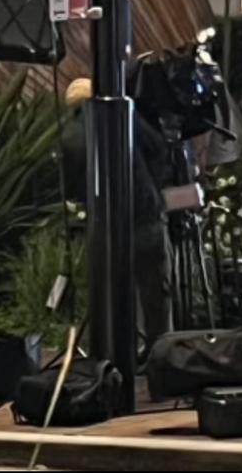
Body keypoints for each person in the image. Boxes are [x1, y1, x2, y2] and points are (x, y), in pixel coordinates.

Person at [62, 77, 173, 358]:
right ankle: (162, 359)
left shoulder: (69, 136)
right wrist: (152, 185)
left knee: (110, 295)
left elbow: (71, 184)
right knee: (156, 297)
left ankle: (112, 359)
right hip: (145, 216)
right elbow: (159, 149)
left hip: (105, 227)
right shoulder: (126, 116)